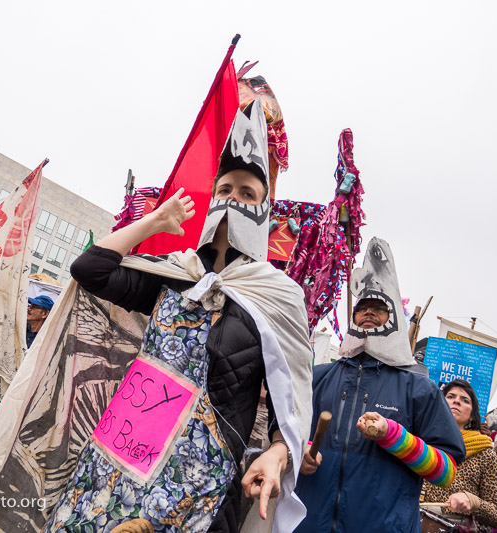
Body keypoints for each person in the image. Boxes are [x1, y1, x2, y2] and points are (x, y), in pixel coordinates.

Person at [57, 99, 313, 532]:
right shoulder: (175, 275)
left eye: (247, 194)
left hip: (198, 481)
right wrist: (154, 222)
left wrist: (278, 450)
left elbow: (291, 402)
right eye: (225, 189)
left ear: (264, 212)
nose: (234, 199)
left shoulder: (277, 297)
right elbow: (89, 270)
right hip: (121, 455)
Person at [295, 237, 467, 533]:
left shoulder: (419, 389)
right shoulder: (316, 377)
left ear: (395, 318)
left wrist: (395, 436)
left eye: (379, 307)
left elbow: (446, 473)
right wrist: (299, 454)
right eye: (362, 306)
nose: (369, 312)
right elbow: (283, 438)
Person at [420, 380, 497, 530]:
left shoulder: (485, 454)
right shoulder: (418, 440)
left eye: (465, 400)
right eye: (450, 396)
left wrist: (472, 501)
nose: (457, 401)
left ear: (472, 416)